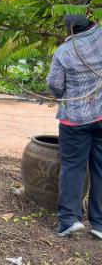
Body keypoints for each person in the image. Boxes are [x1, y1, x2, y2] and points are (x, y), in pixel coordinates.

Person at [47, 14, 102, 238]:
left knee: (73, 168)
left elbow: (55, 85)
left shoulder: (64, 52)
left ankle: (69, 220)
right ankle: (99, 224)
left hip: (75, 119)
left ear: (70, 29)